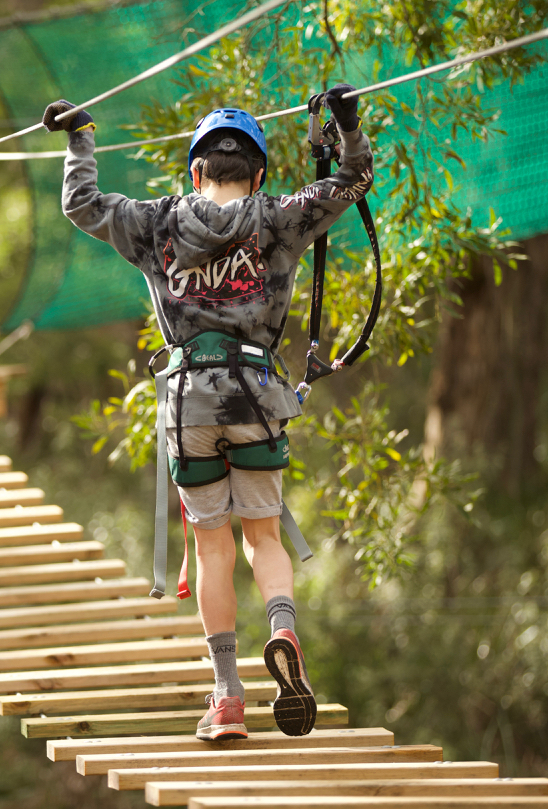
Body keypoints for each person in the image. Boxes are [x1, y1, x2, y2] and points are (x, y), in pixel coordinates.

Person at [42, 87, 373, 739]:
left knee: (212, 547)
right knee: (264, 538)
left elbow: (81, 202)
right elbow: (353, 180)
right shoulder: (279, 216)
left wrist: (81, 137)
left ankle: (226, 697)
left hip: (188, 404)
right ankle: (282, 628)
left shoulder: (157, 222)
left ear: (196, 172)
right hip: (257, 398)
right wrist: (347, 126)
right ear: (257, 174)